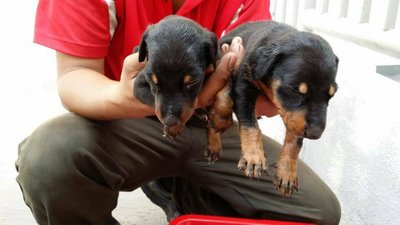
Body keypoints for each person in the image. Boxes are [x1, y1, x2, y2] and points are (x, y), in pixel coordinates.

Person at [16, 0, 341, 225]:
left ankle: (183, 191)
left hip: (211, 125)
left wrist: (276, 92)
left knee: (316, 211)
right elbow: (74, 78)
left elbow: (249, 77)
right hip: (123, 121)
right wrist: (125, 95)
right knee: (49, 157)